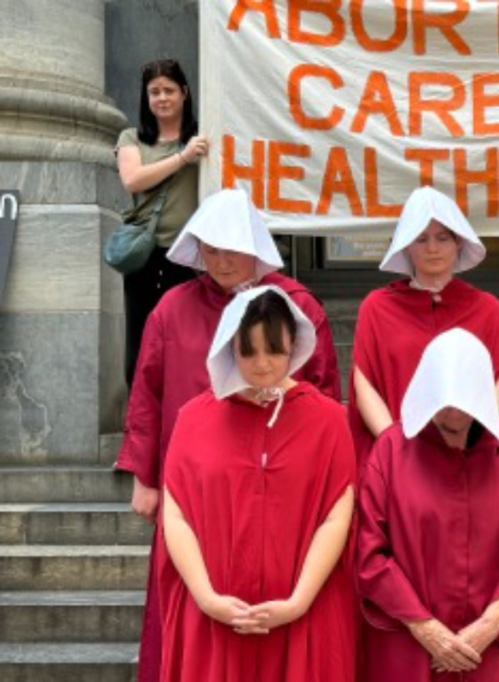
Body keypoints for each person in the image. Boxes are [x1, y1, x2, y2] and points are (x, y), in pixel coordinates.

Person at [115, 188, 340, 682]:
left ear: (255, 248)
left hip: (278, 482)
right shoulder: (172, 308)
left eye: (231, 249)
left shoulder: (296, 307)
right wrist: (144, 476)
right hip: (196, 484)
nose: (220, 261)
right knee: (193, 606)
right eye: (210, 249)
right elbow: (147, 390)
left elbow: (322, 391)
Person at [160, 286, 356, 681]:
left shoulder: (329, 419)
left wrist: (299, 601)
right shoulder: (193, 418)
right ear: (229, 348)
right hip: (214, 615)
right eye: (248, 351)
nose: (263, 364)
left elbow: (337, 514)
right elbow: (175, 514)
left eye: (274, 349)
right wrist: (206, 597)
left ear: (294, 344)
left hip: (305, 613)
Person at [358, 328, 499, 681]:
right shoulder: (391, 452)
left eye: (466, 406)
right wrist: (427, 629)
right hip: (409, 642)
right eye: (443, 408)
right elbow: (370, 552)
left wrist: (489, 624)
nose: (454, 417)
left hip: (491, 646)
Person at [349, 186, 499, 472]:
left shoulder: (487, 309)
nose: (433, 248)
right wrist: (395, 448)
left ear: (458, 242)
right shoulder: (376, 308)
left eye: (442, 237)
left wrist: (465, 438)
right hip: (397, 464)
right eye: (421, 239)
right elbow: (365, 386)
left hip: (469, 459)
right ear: (406, 246)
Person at [116, 59, 210, 386]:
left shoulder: (203, 135)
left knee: (187, 342)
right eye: (154, 92)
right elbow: (133, 179)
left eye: (168, 90)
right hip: (146, 254)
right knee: (141, 341)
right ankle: (140, 420)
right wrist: (183, 157)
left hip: (191, 255)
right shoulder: (132, 137)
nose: (162, 98)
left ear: (184, 92)